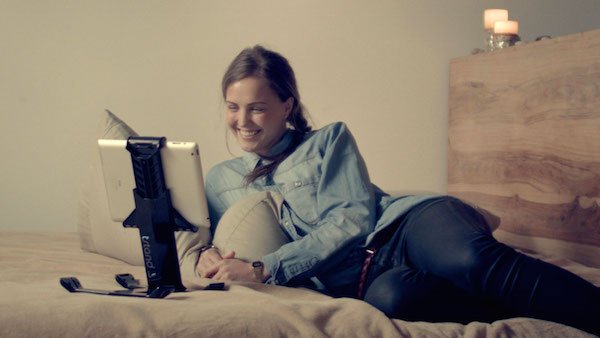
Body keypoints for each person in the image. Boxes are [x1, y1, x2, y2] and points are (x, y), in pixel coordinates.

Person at [196, 45, 599, 335]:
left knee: (469, 260)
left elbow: (352, 220)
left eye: (257, 107)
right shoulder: (220, 180)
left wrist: (265, 268)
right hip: (364, 281)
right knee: (396, 302)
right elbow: (193, 235)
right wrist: (205, 255)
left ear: (286, 106)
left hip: (403, 226)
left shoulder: (327, 141)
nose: (242, 120)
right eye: (233, 106)